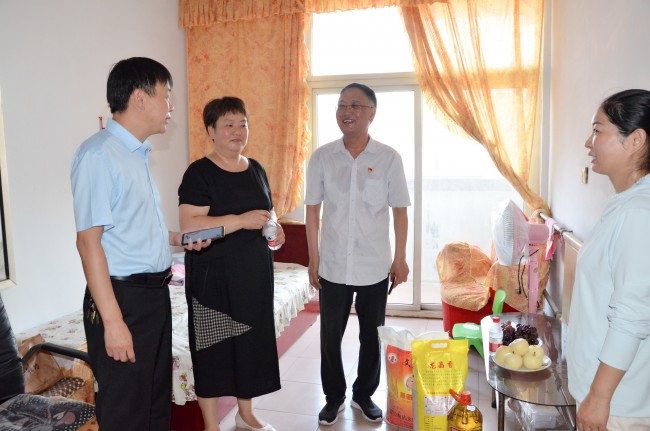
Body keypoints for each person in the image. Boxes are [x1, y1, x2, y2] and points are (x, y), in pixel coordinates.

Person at [71, 57, 209, 430]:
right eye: (167, 95)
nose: (171, 106)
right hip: (123, 299)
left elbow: (131, 228)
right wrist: (113, 321)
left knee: (153, 407)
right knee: (127, 412)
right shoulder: (98, 154)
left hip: (153, 297)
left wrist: (177, 239)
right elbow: (88, 243)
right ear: (140, 97)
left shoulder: (136, 154)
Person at [305, 83, 411, 426]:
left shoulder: (388, 158)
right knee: (329, 337)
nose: (346, 112)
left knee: (371, 335)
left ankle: (363, 394)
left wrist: (400, 258)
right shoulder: (322, 158)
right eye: (341, 105)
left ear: (371, 113)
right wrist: (314, 258)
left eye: (355, 105)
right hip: (333, 264)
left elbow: (400, 211)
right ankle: (333, 397)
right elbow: (312, 211)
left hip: (374, 266)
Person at [178, 97, 284, 431]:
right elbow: (190, 226)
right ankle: (211, 425)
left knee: (250, 345)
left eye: (243, 124)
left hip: (254, 275)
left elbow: (267, 213)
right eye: (228, 124)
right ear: (210, 130)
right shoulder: (199, 173)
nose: (238, 131)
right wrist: (240, 221)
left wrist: (275, 230)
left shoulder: (255, 168)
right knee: (212, 350)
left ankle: (245, 413)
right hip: (213, 278)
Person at [568, 88, 650, 430]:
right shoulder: (625, 204)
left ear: (636, 140)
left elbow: (632, 315)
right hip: (607, 395)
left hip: (616, 404)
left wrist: (599, 397)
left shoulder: (639, 213)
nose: (589, 143)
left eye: (597, 130)